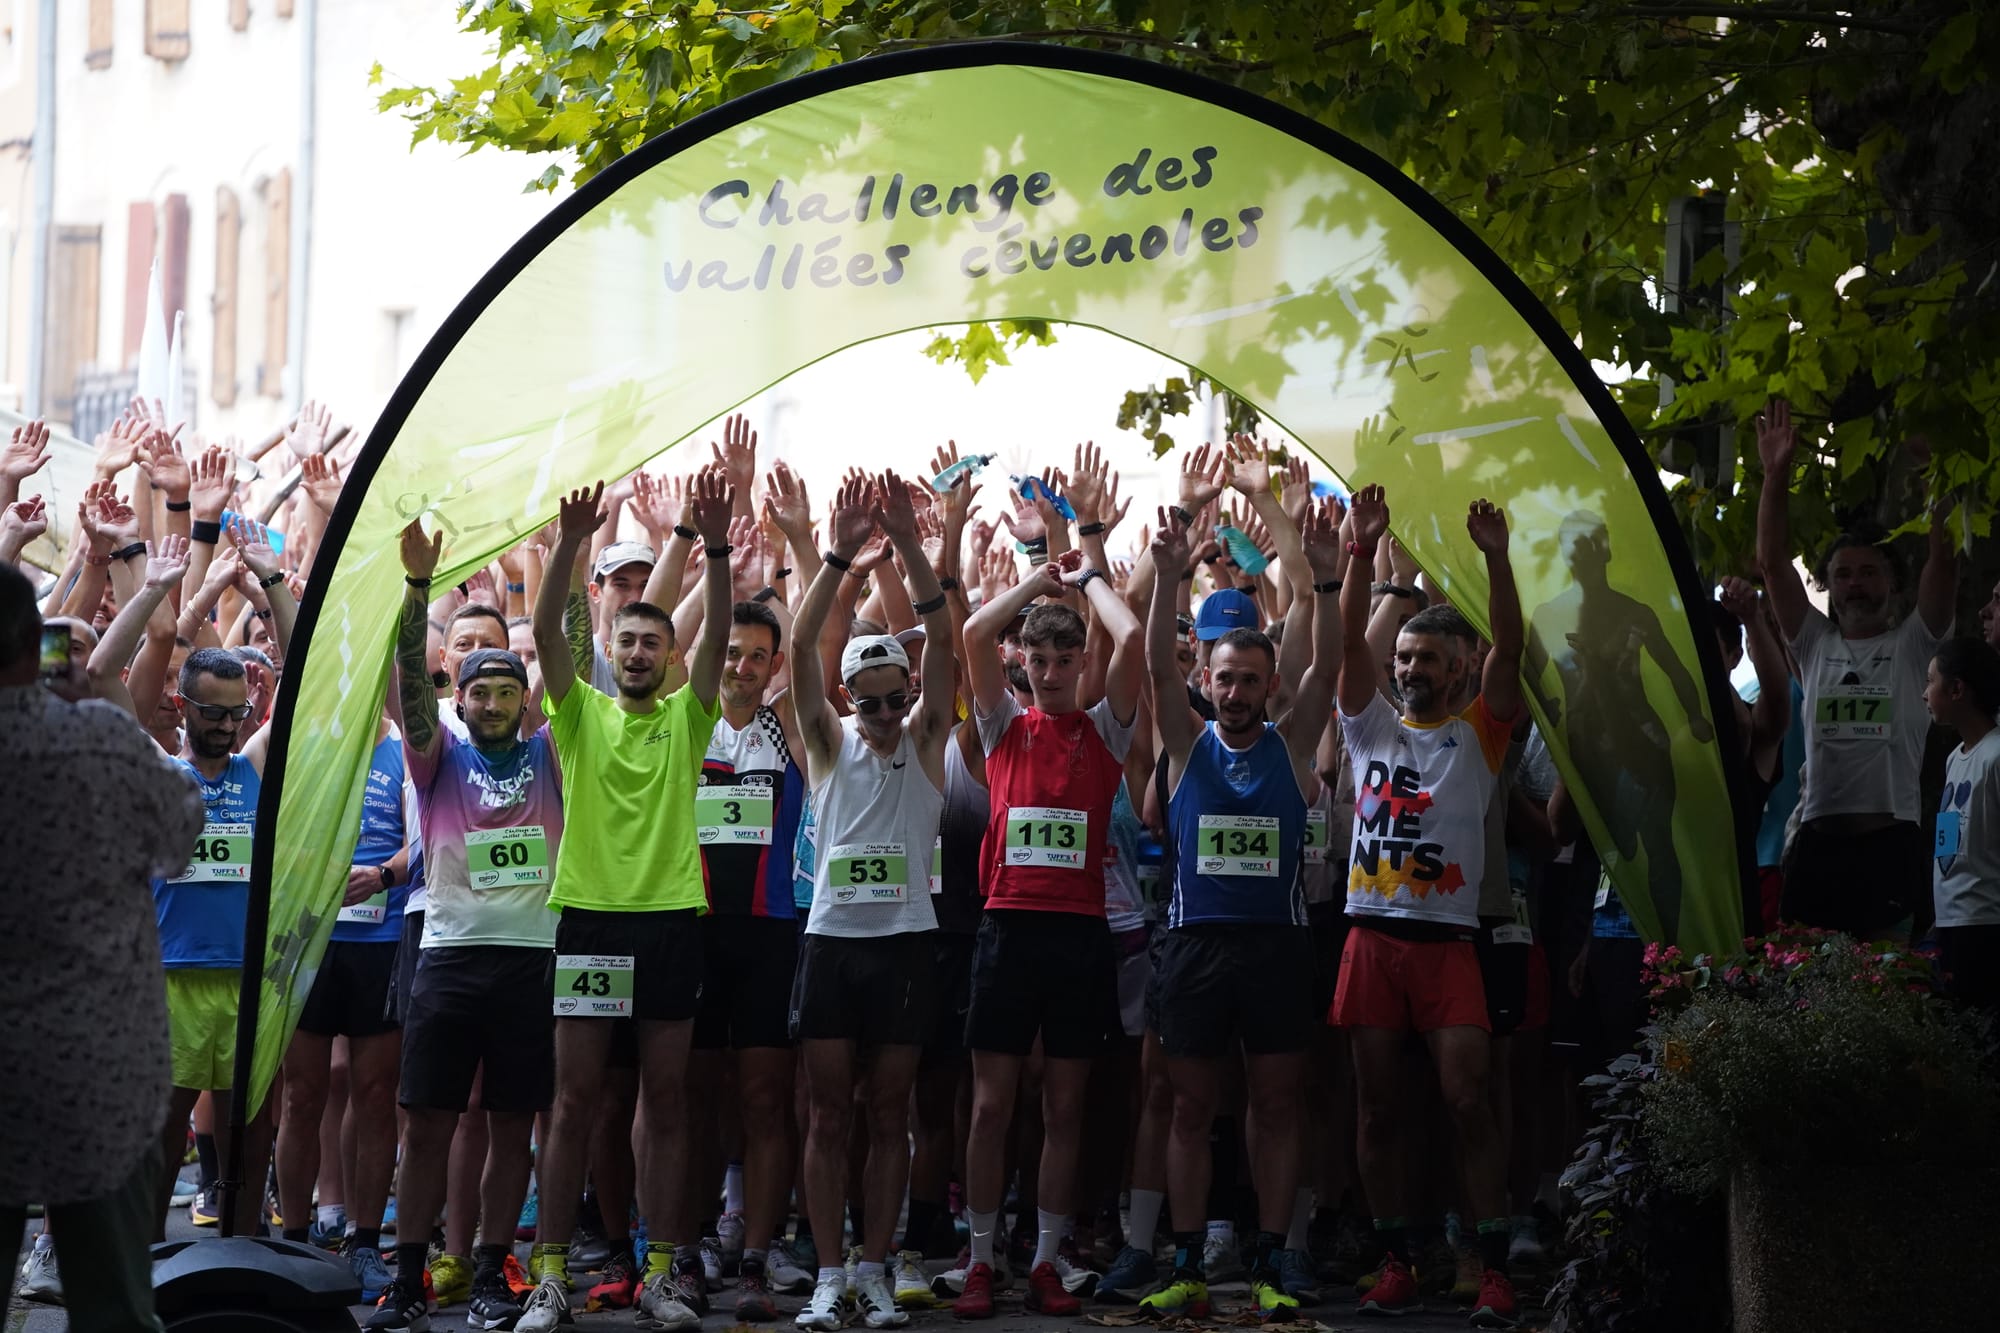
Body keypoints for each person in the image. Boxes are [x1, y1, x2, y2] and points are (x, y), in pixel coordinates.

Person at [521, 472, 734, 1333]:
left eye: (655, 642)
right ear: (610, 649)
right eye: (628, 641)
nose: (641, 652)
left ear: (671, 659)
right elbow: (542, 631)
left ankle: (660, 1271)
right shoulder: (579, 714)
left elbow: (720, 631)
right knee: (573, 1101)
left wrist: (716, 549)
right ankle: (550, 1276)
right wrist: (574, 544)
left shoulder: (689, 716)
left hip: (670, 924)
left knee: (668, 1099)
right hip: (592, 922)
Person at [1137, 498, 1348, 1323]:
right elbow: (1156, 666)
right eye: (1223, 678)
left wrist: (1325, 581)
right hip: (1194, 947)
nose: (1235, 691)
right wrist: (1164, 575)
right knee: (1190, 1106)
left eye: (1250, 679)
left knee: (1275, 1104)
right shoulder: (1187, 746)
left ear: (1269, 686)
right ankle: (1186, 1260)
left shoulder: (1291, 746)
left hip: (1276, 950)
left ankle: (1270, 1258)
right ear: (1207, 681)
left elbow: (1327, 671)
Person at [365, 521, 568, 1333]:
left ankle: (490, 1272)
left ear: (526, 700)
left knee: (511, 1126)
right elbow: (409, 683)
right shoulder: (436, 756)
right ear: (461, 697)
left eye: (505, 691)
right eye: (477, 691)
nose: (489, 703)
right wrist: (417, 589)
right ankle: (409, 1277)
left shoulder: (556, 752)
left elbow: (569, 655)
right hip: (446, 958)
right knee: (429, 1125)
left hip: (528, 960)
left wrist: (563, 558)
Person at [1332, 486, 1522, 1328]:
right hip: (1371, 939)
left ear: (1458, 667)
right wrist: (1356, 555)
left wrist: (1495, 558)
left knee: (1467, 1098)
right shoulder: (1368, 726)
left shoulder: (1481, 729)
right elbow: (1345, 646)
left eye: (1425, 660)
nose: (1408, 669)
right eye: (1402, 658)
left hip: (1448, 943)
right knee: (1376, 1108)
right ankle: (1399, 1259)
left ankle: (1488, 1262)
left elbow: (1510, 646)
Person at [951, 506, 1146, 1320]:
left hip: (1078, 934)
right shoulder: (1001, 726)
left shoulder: (1104, 729)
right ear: (1023, 662)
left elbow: (1131, 641)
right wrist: (1039, 579)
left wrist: (1091, 577)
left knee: (1065, 1106)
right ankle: (981, 1258)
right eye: (1041, 655)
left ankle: (1044, 1257)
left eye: (1068, 654)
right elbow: (969, 633)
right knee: (994, 1105)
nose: (1057, 666)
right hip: (1006, 927)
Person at [1, 556, 204, 1333]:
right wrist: (96, 706)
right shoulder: (97, 740)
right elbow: (181, 835)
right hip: (100, 1069)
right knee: (115, 1304)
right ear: (32, 648)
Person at [785, 473, 958, 1330]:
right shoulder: (827, 740)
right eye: (874, 701)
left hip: (904, 942)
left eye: (901, 697)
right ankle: (827, 1272)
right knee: (825, 1111)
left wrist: (913, 543)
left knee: (891, 1110)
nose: (889, 713)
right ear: (850, 699)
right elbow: (798, 651)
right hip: (831, 941)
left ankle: (879, 1269)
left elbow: (945, 641)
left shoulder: (927, 735)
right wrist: (835, 555)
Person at [1755, 398, 1955, 937]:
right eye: (1843, 574)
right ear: (1827, 586)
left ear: (1890, 583)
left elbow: (1944, 561)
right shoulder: (1813, 644)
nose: (1855, 582)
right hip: (1818, 848)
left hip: (1888, 848)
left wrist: (1938, 477)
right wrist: (1774, 472)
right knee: (1803, 993)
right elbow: (1772, 564)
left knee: (1885, 992)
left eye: (1869, 572)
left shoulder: (1915, 644)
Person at [152, 517, 295, 1238]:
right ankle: (143, 1268)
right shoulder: (160, 767)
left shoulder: (255, 765)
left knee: (248, 1133)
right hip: (171, 977)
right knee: (160, 1135)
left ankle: (246, 1257)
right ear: (183, 706)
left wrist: (272, 581)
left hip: (246, 978)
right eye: (213, 713)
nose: (228, 726)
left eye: (238, 714)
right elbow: (139, 665)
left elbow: (304, 684)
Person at [689, 597, 808, 1323]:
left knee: (765, 1098)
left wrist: (804, 545)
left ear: (775, 665)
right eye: (730, 652)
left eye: (757, 656)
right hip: (693, 930)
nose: (740, 666)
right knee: (693, 1099)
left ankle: (757, 1254)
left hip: (771, 931)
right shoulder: (688, 718)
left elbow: (816, 642)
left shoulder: (789, 724)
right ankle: (694, 1239)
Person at [276, 712, 412, 1301]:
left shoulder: (405, 747)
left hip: (380, 939)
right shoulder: (306, 734)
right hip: (309, 939)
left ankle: (363, 1242)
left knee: (376, 1095)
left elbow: (431, 833)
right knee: (302, 1095)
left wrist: (382, 874)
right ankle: (295, 1241)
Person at [1924, 637, 2000, 1012]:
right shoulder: (1956, 758)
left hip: (1986, 922)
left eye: (1930, 681)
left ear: (1957, 689)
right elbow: (1949, 842)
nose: (1924, 693)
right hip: (1951, 920)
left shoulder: (1996, 756)